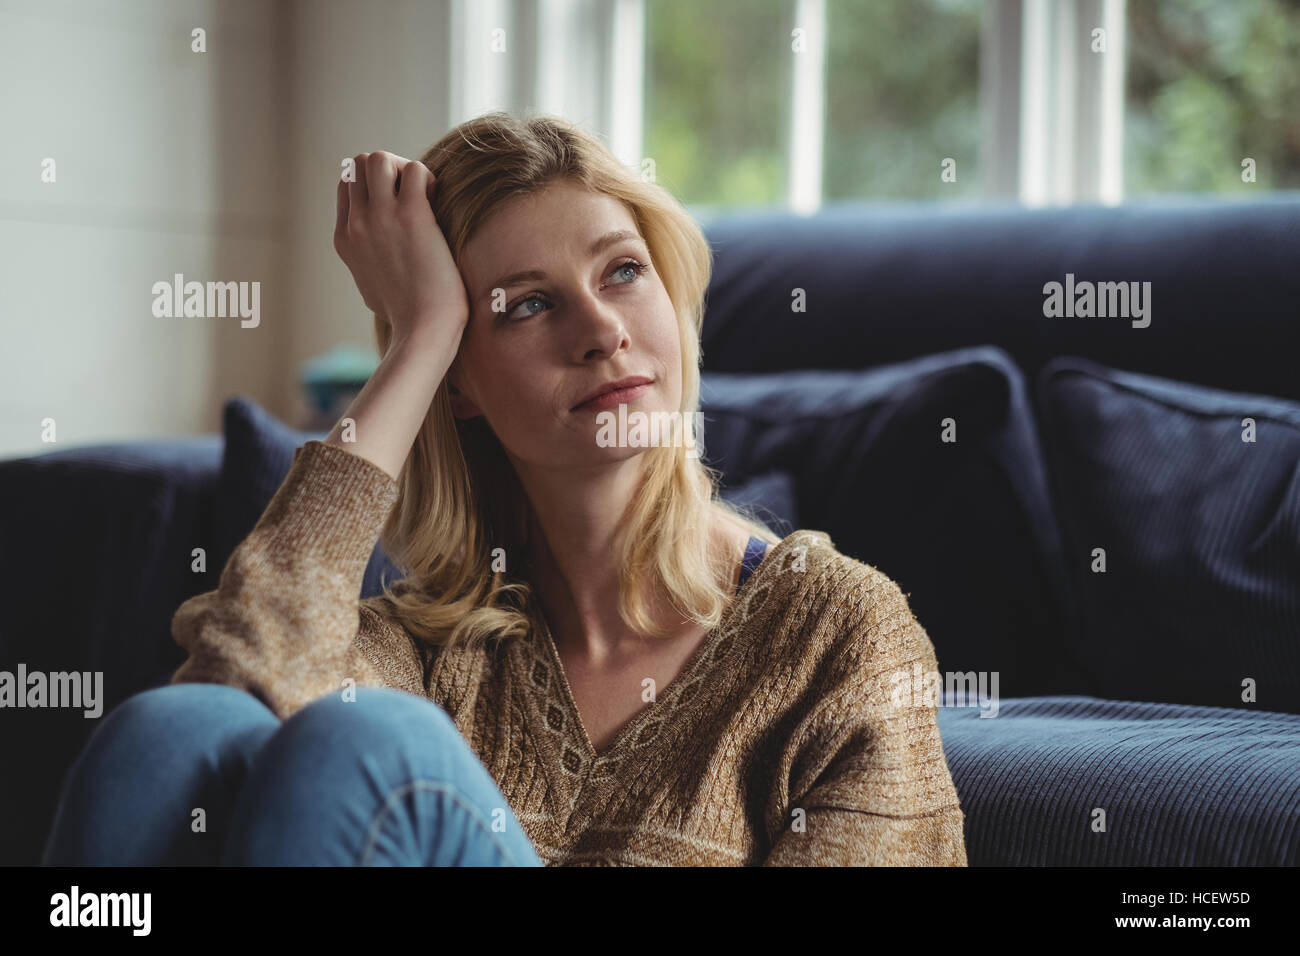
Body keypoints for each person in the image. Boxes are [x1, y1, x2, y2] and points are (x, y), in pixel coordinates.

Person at [42, 110, 967, 867]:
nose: (602, 329)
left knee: (371, 750)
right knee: (168, 731)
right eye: (526, 305)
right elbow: (239, 678)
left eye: (623, 271)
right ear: (460, 381)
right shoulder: (428, 654)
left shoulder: (834, 633)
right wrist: (418, 340)